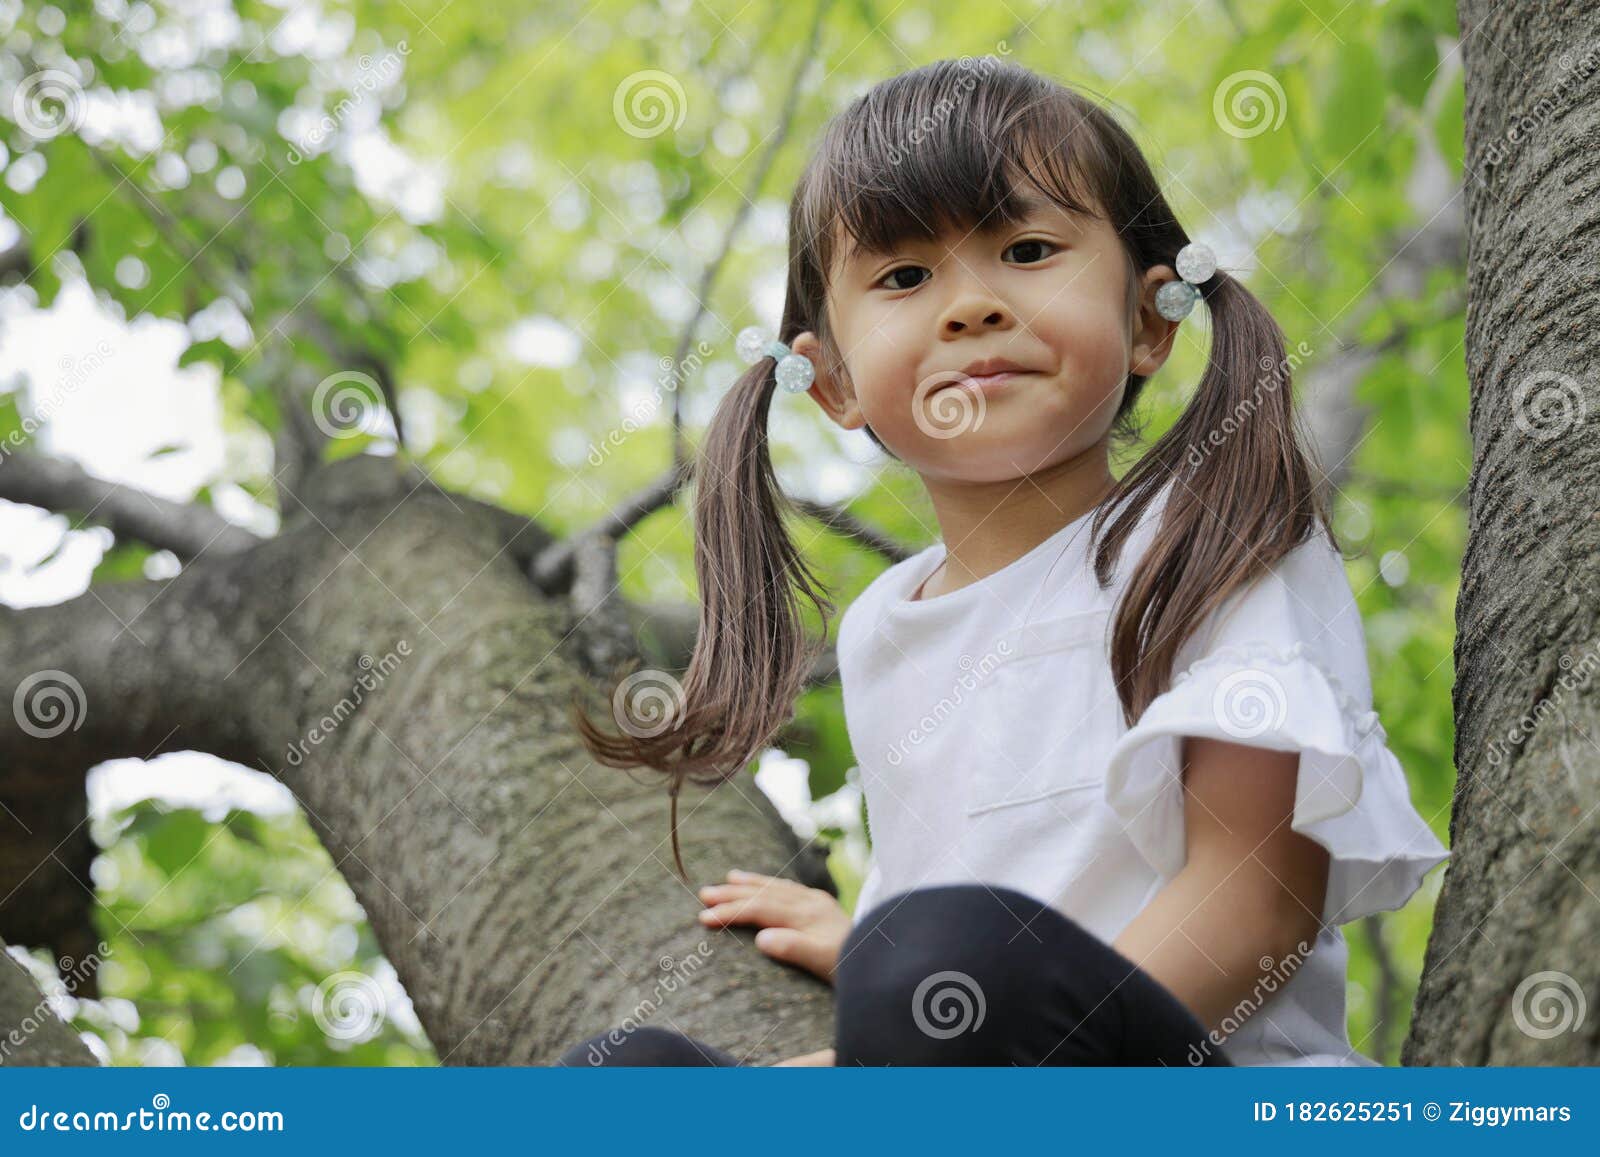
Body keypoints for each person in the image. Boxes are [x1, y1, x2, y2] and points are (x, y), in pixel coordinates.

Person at [561, 56, 1450, 1068]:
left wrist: (942, 993)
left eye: (1028, 251)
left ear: (1149, 318)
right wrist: (878, 967)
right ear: (834, 382)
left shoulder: (1215, 535)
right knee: (621, 1076)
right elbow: (959, 907)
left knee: (936, 952)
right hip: (973, 1064)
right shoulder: (884, 622)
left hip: (1196, 1090)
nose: (971, 305)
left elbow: (1254, 899)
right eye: (905, 277)